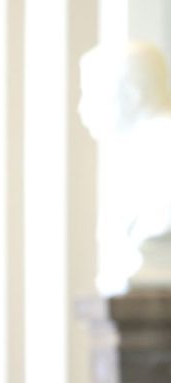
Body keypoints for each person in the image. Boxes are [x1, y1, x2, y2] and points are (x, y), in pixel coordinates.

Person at [79, 41, 171, 294]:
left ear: (132, 94)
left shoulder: (162, 151)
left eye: (92, 94)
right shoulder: (135, 158)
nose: (83, 109)